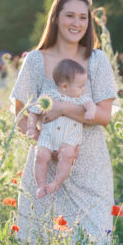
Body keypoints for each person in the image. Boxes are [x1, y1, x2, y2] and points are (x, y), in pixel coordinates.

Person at [10, 0, 117, 245]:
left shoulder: (97, 60)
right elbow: (20, 113)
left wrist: (62, 108)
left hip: (89, 164)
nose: (77, 23)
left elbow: (104, 116)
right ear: (56, 18)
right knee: (40, 244)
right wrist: (43, 144)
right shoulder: (35, 60)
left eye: (83, 17)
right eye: (70, 15)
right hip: (45, 167)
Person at [26, 59, 96, 198]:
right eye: (80, 86)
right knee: (40, 156)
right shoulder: (48, 96)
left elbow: (91, 105)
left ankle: (57, 183)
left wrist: (90, 112)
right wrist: (31, 128)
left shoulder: (80, 98)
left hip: (69, 137)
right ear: (64, 86)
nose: (83, 90)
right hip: (48, 136)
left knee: (67, 156)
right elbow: (33, 111)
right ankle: (41, 184)